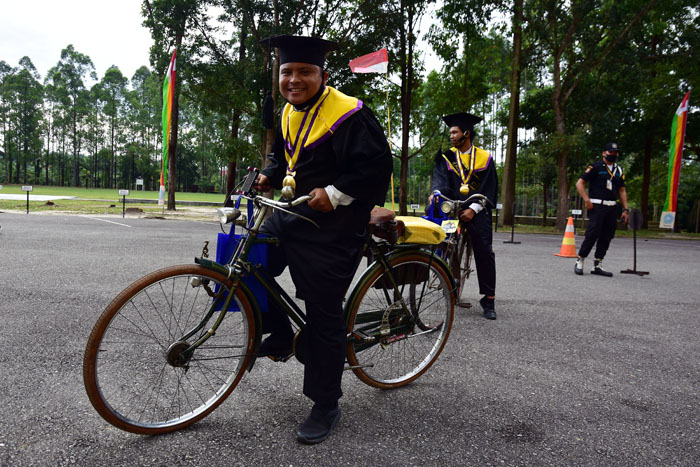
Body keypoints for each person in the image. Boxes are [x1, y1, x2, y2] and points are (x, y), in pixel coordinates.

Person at [252, 35, 392, 444]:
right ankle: (278, 331)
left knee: (323, 313)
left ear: (322, 75)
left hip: (336, 227)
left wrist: (333, 194)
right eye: (287, 72)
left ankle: (326, 402)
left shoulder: (349, 114)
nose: (294, 79)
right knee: (248, 262)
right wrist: (269, 175)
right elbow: (285, 158)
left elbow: (374, 166)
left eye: (304, 72)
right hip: (295, 214)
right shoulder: (287, 114)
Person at [429, 112, 498, 320]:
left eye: (455, 132)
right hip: (453, 206)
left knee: (484, 249)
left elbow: (490, 188)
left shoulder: (485, 158)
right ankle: (443, 277)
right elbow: (439, 181)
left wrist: (474, 208)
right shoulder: (446, 157)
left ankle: (489, 299)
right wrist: (436, 194)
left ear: (466, 134)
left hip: (476, 208)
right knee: (440, 238)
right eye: (450, 132)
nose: (451, 136)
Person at [574, 142, 629, 276]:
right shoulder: (595, 167)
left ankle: (598, 264)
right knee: (592, 234)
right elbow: (579, 183)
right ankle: (580, 259)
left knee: (607, 236)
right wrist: (587, 200)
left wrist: (626, 209)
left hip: (612, 207)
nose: (613, 155)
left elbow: (622, 190)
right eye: (611, 152)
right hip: (597, 206)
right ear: (604, 153)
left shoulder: (619, 170)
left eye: (615, 153)